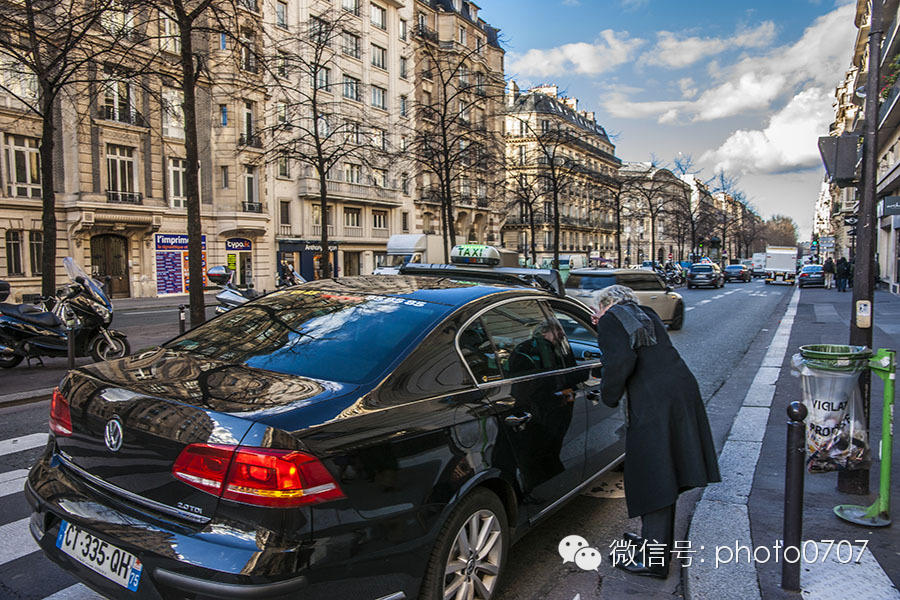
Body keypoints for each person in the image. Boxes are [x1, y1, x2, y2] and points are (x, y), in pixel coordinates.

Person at [590, 285, 720, 579]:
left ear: (607, 304)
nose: (596, 315)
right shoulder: (644, 313)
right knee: (665, 472)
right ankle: (654, 543)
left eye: (597, 310)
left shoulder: (612, 319)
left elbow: (620, 361)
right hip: (679, 394)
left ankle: (654, 561)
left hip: (654, 405)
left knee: (654, 474)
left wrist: (607, 396)